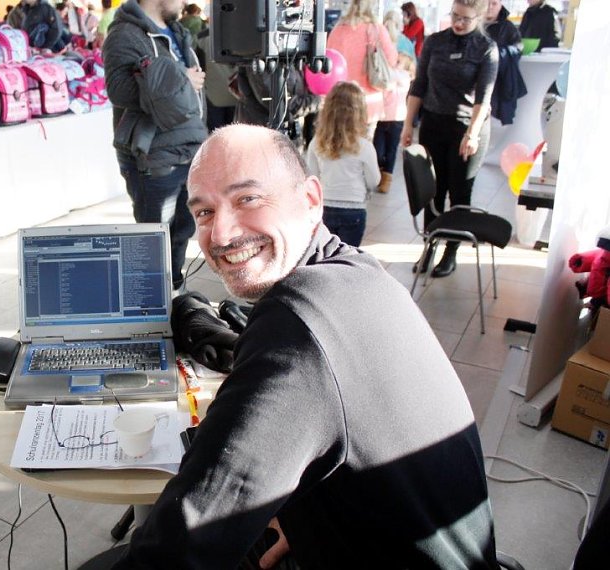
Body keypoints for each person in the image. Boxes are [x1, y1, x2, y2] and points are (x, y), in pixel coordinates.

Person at [112, 123, 499, 568]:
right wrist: (300, 520)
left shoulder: (297, 324)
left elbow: (186, 541)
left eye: (247, 199)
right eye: (203, 212)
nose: (219, 234)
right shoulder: (359, 273)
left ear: (311, 199)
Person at [102, 0, 207, 291]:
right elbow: (118, 90)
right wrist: (179, 80)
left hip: (187, 148)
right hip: (152, 154)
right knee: (152, 242)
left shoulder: (177, 31)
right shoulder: (125, 34)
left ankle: (172, 294)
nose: (186, 2)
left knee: (181, 232)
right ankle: (150, 306)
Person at [400, 0, 498, 278]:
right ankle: (430, 245)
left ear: (478, 17)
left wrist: (473, 134)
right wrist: (409, 124)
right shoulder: (435, 41)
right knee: (433, 190)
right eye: (455, 15)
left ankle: (451, 252)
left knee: (459, 192)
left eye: (465, 19)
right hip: (433, 122)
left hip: (467, 128)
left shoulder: (486, 48)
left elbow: (484, 98)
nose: (458, 23)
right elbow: (419, 86)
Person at [305, 81, 379, 247]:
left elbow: (311, 177)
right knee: (347, 257)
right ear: (359, 113)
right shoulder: (365, 147)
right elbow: (374, 181)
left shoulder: (316, 143)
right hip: (354, 211)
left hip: (325, 208)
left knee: (325, 254)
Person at [326, 0, 398, 133]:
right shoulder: (377, 30)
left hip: (340, 100)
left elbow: (328, 63)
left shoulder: (337, 30)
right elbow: (392, 60)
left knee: (339, 146)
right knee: (364, 148)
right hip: (369, 104)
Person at [374, 49, 414, 194]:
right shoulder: (392, 77)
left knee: (391, 150)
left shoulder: (404, 77)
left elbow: (389, 77)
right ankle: (380, 170)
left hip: (397, 119)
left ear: (407, 67)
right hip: (382, 117)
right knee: (378, 150)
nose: (395, 63)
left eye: (398, 62)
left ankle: (386, 179)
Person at [486, 0, 526, 125]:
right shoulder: (473, 24)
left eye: (494, 3)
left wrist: (495, 53)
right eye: (486, 3)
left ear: (500, 5)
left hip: (497, 83)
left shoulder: (508, 28)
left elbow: (518, 48)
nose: (490, 7)